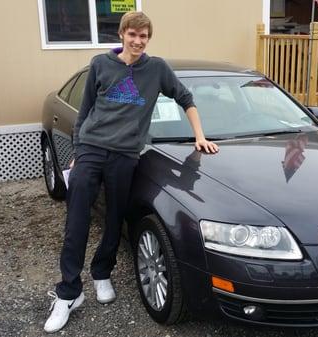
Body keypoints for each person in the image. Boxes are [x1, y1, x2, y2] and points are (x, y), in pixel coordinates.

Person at [44, 11, 218, 333]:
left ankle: (101, 273)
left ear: (148, 38)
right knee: (77, 218)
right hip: (92, 151)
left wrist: (200, 136)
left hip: (124, 156)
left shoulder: (157, 69)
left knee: (114, 218)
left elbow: (186, 98)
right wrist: (79, 153)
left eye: (144, 36)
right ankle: (69, 292)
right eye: (132, 35)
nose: (138, 41)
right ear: (122, 34)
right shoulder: (100, 65)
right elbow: (84, 114)